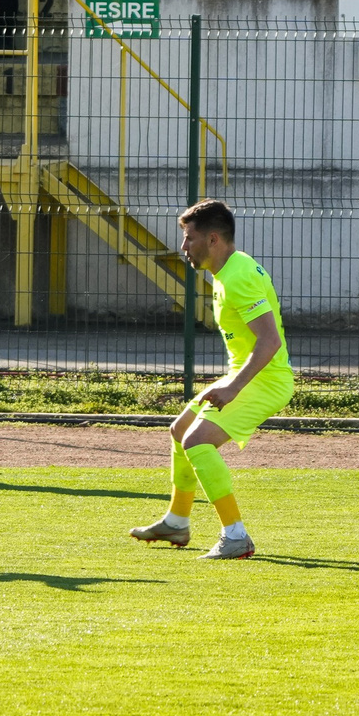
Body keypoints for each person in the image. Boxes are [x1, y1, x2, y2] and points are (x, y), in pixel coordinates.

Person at [128, 198, 291, 561]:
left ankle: (235, 536)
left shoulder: (238, 276)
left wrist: (233, 387)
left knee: (198, 441)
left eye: (189, 238)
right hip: (249, 374)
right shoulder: (230, 270)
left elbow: (270, 341)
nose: (183, 247)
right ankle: (177, 521)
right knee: (180, 430)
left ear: (213, 239)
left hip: (266, 380)